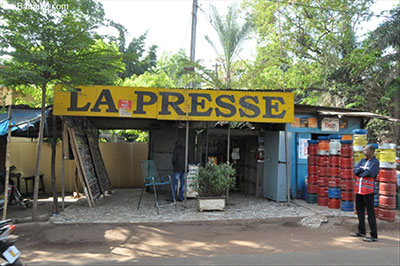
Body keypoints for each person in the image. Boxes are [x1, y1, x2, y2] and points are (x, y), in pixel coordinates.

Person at [351, 144, 380, 242]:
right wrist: (363, 171)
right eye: (364, 150)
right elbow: (355, 171)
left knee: (370, 213)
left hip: (368, 191)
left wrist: (361, 172)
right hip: (359, 190)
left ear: (372, 151)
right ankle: (361, 231)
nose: (364, 152)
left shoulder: (375, 162)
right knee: (360, 212)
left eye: (366, 150)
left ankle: (374, 235)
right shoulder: (362, 161)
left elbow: (371, 173)